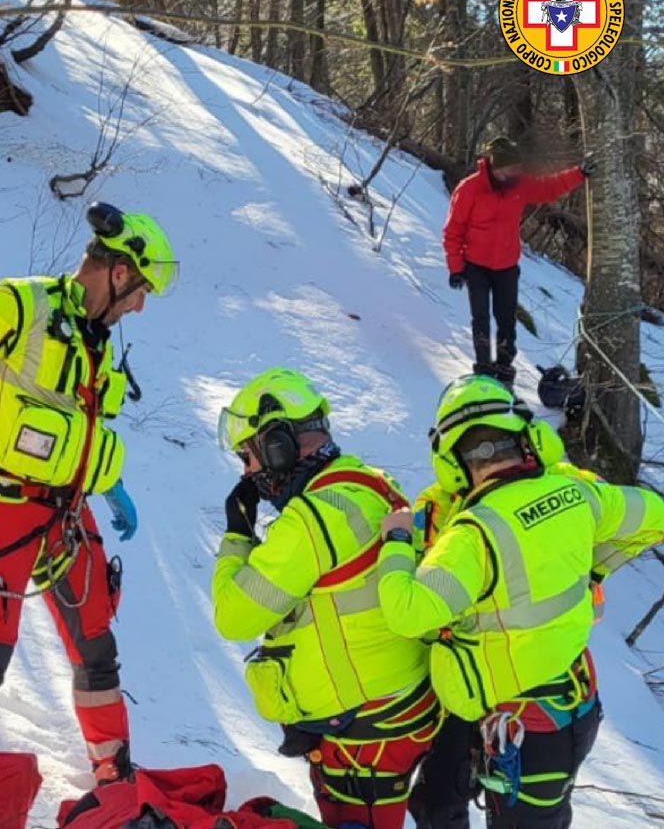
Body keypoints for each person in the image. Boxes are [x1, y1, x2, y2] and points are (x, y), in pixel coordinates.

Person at [0, 201, 177, 783]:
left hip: (68, 517)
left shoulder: (98, 340)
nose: (142, 306)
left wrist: (113, 483)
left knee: (97, 651)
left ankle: (113, 777)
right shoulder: (18, 306)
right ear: (120, 272)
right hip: (1, 509)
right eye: (141, 289)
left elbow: (77, 433)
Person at [378, 374, 664, 828]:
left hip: (526, 726)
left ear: (451, 460)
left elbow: (407, 611)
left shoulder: (471, 536)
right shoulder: (579, 493)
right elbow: (654, 516)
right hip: (560, 708)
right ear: (528, 436)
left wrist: (395, 541)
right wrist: (591, 566)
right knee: (451, 803)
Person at [212, 368, 438, 829]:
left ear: (277, 445)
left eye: (249, 457)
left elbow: (232, 616)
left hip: (364, 735)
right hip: (399, 705)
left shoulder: (313, 519)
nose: (248, 472)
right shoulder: (366, 482)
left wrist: (237, 534)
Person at [443, 137, 591, 386]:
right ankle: (483, 367)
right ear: (495, 166)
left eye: (517, 167)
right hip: (476, 264)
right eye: (511, 168)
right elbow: (453, 230)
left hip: (506, 266)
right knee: (480, 317)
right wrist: (456, 268)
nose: (516, 172)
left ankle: (504, 366)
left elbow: (549, 187)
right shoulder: (470, 189)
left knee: (506, 319)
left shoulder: (520, 185)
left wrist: (579, 173)